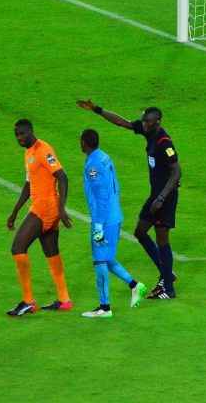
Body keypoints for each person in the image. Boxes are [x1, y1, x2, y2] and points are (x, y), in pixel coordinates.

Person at [76, 100, 182, 300]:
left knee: (162, 239)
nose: (144, 124)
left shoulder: (164, 141)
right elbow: (121, 122)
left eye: (148, 122)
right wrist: (97, 109)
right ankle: (167, 274)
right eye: (143, 120)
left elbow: (177, 172)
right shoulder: (148, 132)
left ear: (158, 122)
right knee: (140, 232)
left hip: (164, 197)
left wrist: (161, 198)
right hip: (156, 194)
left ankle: (168, 289)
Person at [6, 119, 73, 317]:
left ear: (31, 131)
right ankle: (64, 299)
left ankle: (28, 301)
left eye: (22, 134)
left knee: (18, 247)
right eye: (16, 134)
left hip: (46, 208)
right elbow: (29, 184)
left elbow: (63, 177)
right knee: (51, 252)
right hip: (42, 207)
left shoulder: (44, 150)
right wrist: (15, 211)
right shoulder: (28, 152)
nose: (19, 138)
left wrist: (62, 209)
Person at [79, 129, 147, 318]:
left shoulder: (92, 165)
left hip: (104, 220)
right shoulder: (105, 157)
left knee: (99, 261)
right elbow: (115, 185)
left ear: (84, 143)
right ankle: (135, 285)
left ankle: (105, 308)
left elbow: (101, 196)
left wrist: (98, 226)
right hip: (115, 216)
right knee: (107, 258)